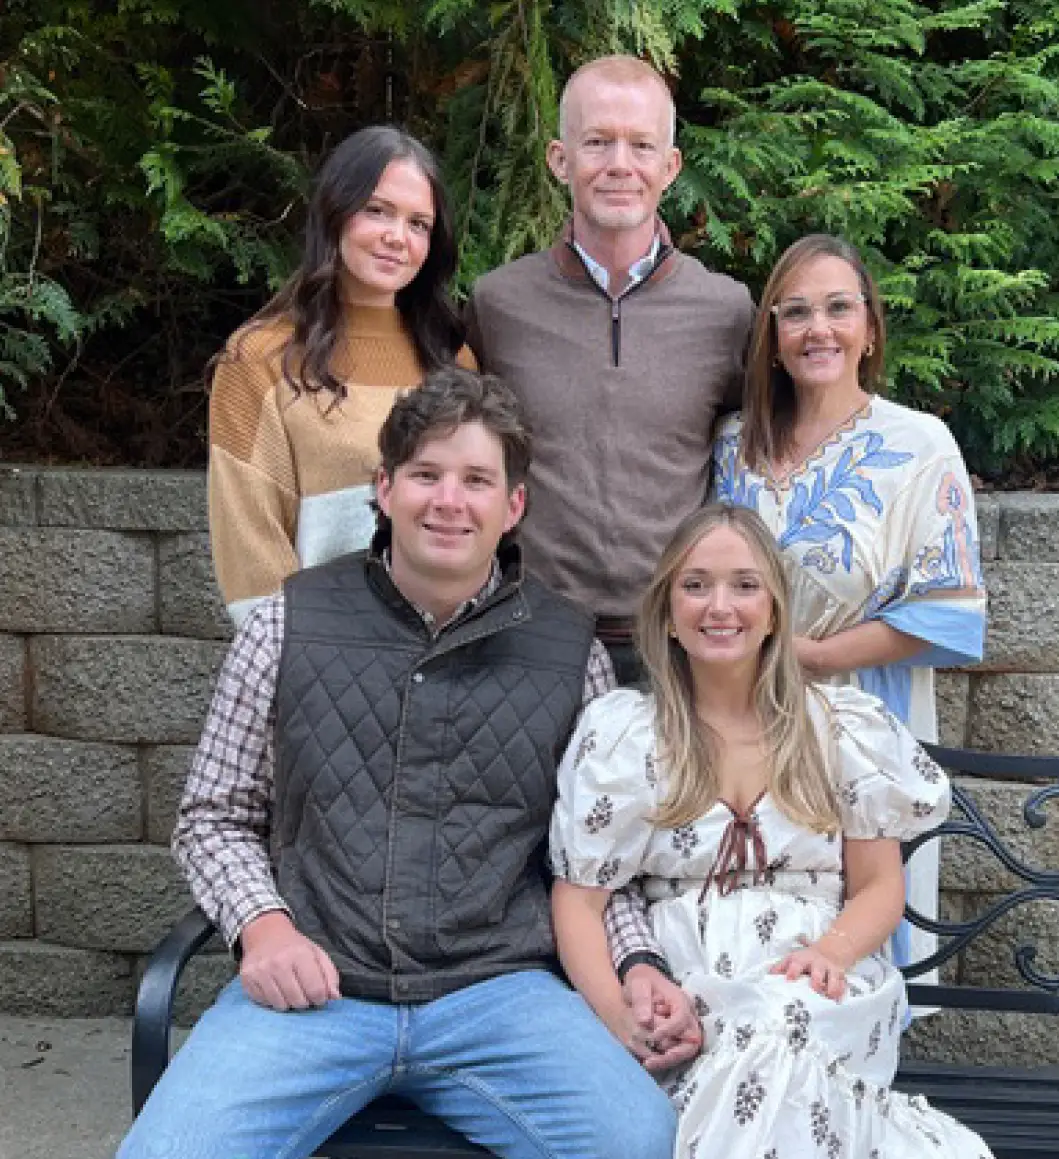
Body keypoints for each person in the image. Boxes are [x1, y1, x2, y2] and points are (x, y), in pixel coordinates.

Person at [118, 369, 684, 1159]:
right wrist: (265, 927)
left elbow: (594, 859)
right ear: (384, 489)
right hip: (318, 985)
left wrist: (638, 962)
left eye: (477, 480)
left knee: (642, 1140)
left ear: (513, 505)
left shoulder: (570, 653)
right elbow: (213, 815)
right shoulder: (287, 623)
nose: (449, 500)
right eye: (426, 474)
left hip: (500, 993)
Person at [549, 503, 994, 1159]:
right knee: (759, 1058)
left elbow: (877, 886)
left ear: (777, 609)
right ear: (668, 612)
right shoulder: (628, 735)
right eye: (695, 584)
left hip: (817, 980)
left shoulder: (838, 727)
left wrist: (833, 953)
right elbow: (579, 900)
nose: (719, 604)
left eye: (745, 584)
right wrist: (621, 1017)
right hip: (688, 986)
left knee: (778, 1028)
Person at [712, 234, 986, 970]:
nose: (817, 329)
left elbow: (948, 606)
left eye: (838, 307)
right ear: (770, 337)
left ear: (870, 327)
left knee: (852, 938)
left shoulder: (919, 445)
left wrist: (815, 656)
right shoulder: (733, 444)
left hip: (862, 714)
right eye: (794, 312)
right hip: (739, 723)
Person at [465, 54, 755, 683]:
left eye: (641, 145)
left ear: (670, 167)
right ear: (559, 159)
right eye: (597, 142)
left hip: (677, 644)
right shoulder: (498, 304)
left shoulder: (726, 311)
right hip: (529, 635)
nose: (620, 164)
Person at [209, 125, 474, 628]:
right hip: (318, 660)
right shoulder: (260, 360)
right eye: (378, 211)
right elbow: (249, 551)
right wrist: (304, 660)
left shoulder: (452, 359)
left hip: (445, 657)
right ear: (335, 213)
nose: (398, 237)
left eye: (419, 224)